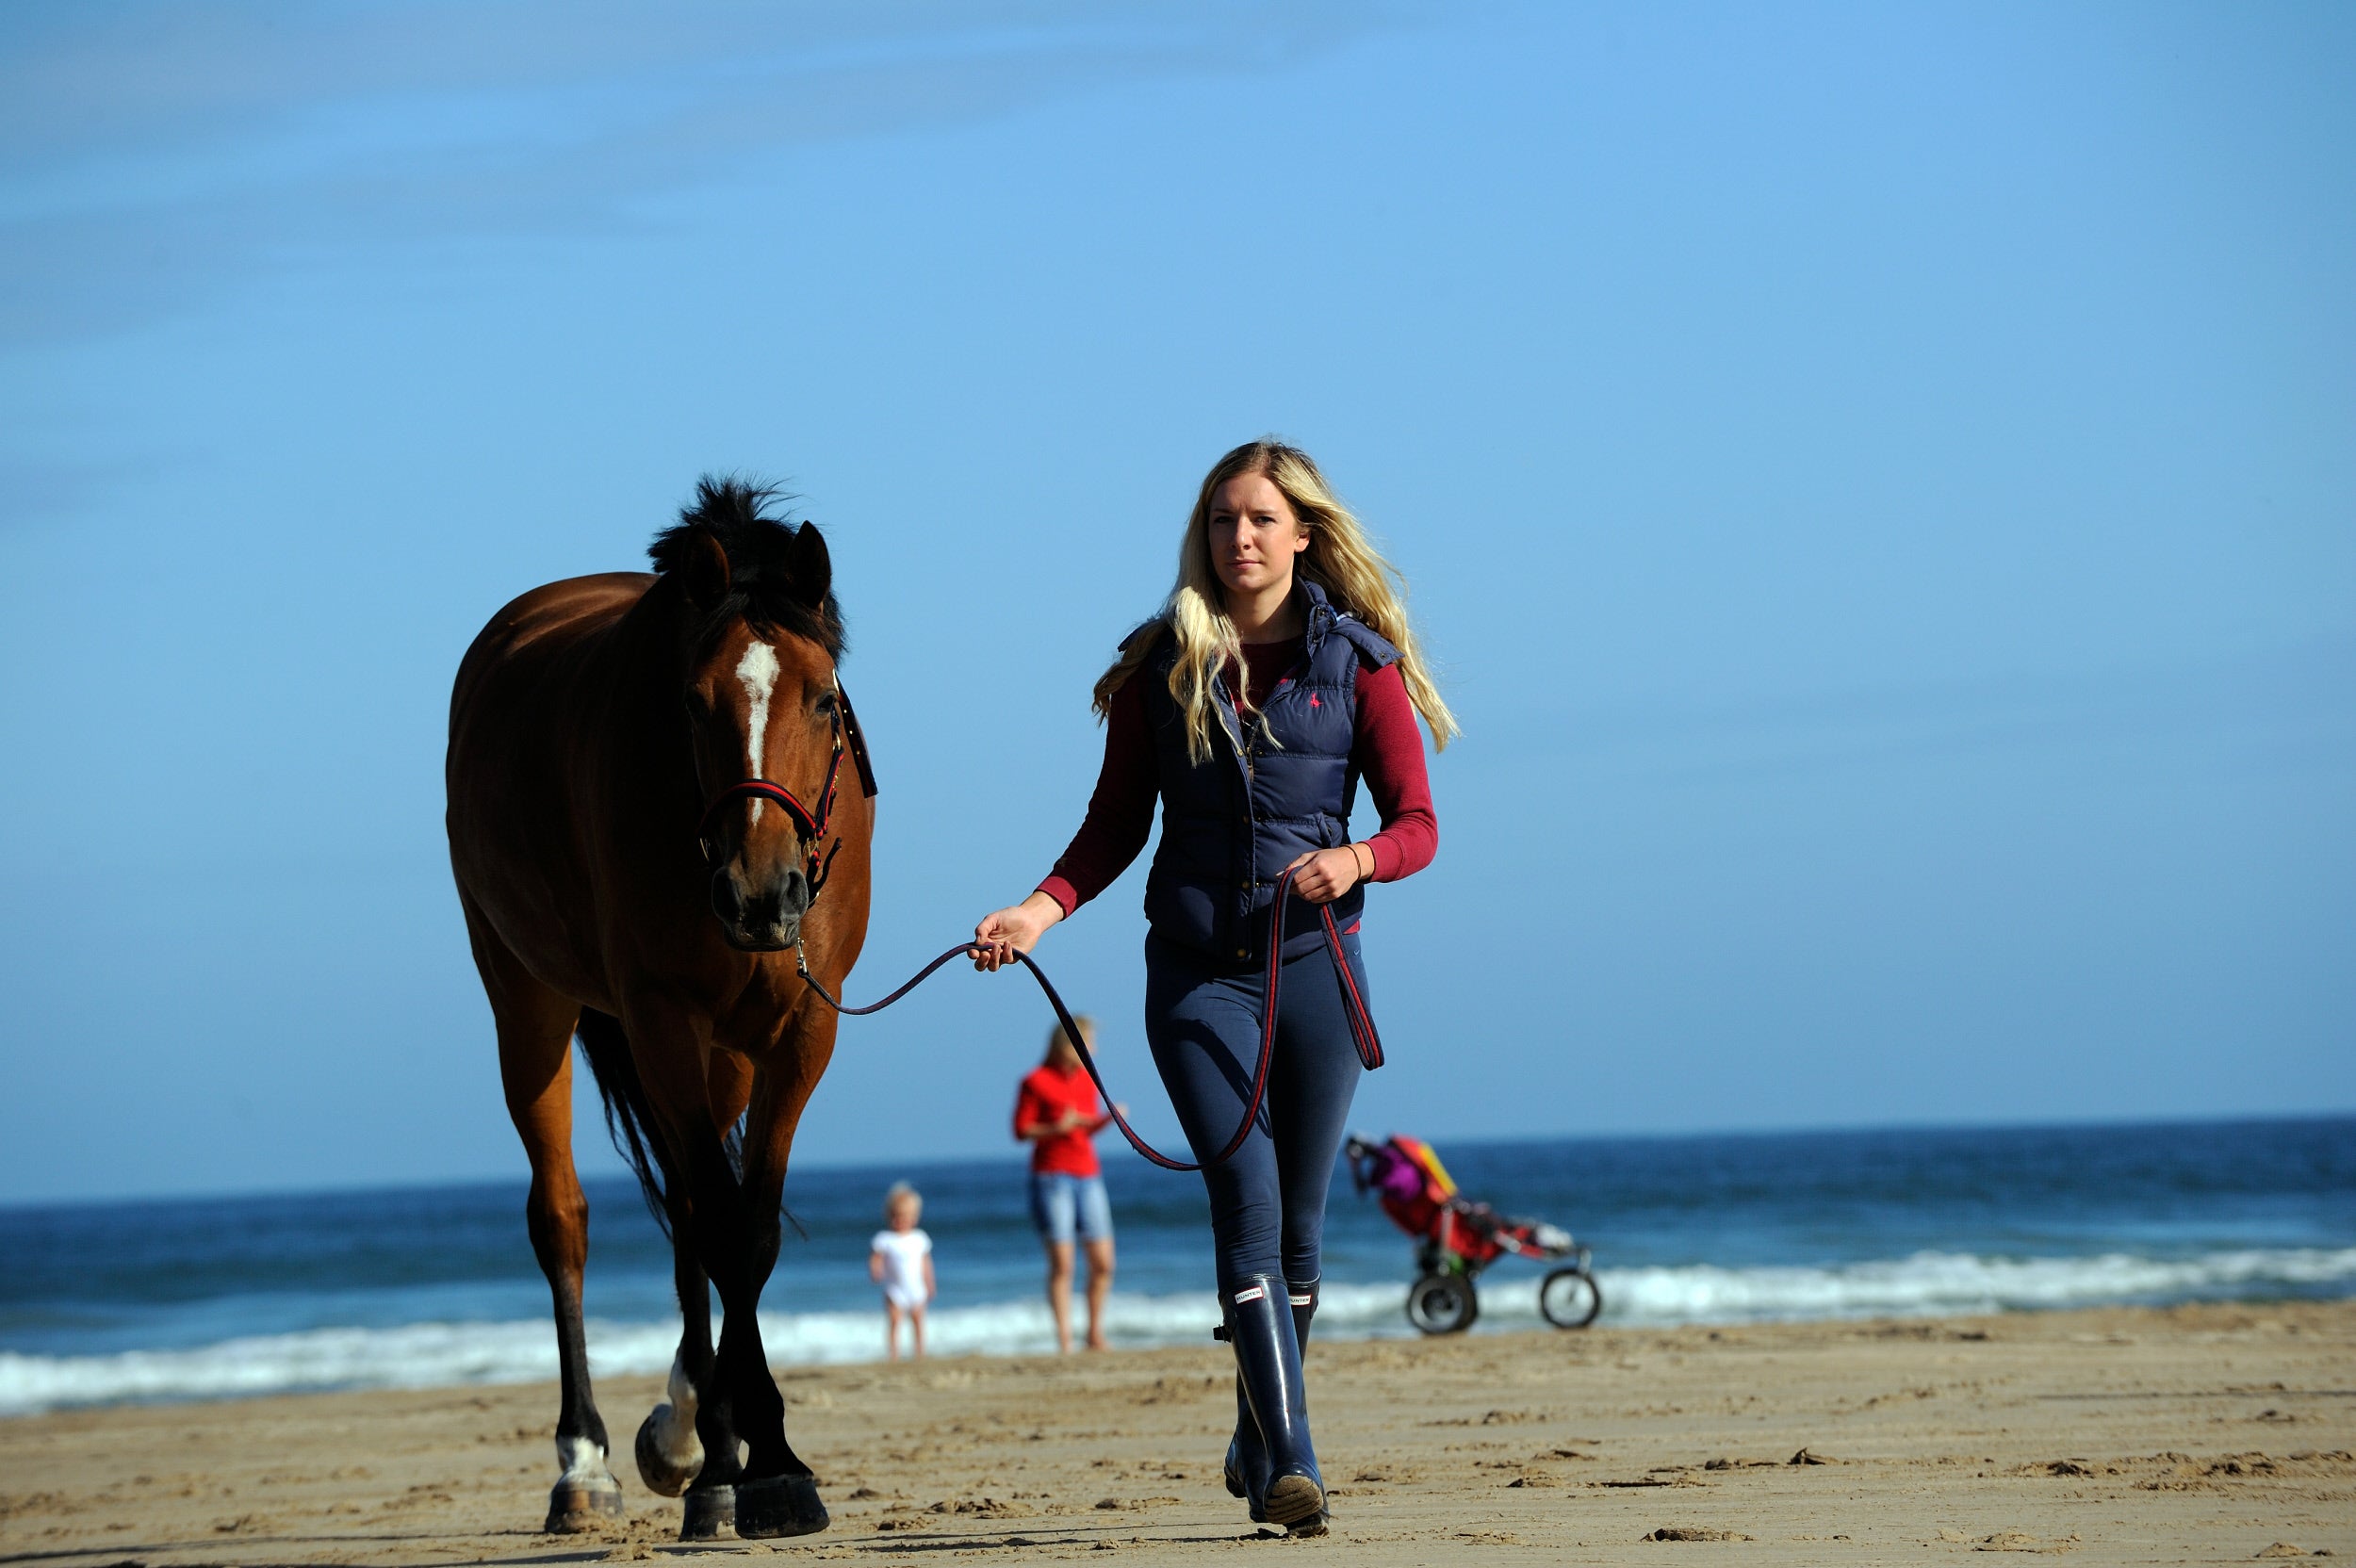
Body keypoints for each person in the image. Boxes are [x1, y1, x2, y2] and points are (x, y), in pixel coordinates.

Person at [970, 438, 1451, 1536]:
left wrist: (1359, 859)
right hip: (1196, 980)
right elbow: (1111, 829)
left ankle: (1255, 1416)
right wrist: (1035, 911)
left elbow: (1418, 823)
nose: (1240, 536)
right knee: (1245, 1199)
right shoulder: (1163, 666)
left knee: (1302, 1233)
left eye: (1261, 519)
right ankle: (1294, 1460)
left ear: (1302, 536)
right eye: (1223, 519)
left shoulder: (1360, 665)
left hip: (1319, 972)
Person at [1014, 1015, 1123, 1353]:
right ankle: (1064, 1340)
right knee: (1063, 1264)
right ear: (1069, 1044)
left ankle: (1094, 1333)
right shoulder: (1035, 1081)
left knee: (1104, 1262)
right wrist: (1056, 1128)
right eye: (1087, 1042)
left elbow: (1084, 1127)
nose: (1092, 1049)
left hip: (1088, 1173)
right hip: (1052, 1176)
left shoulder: (1086, 1080)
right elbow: (1021, 1131)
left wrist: (1107, 1121)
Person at [868, 1183, 935, 1362]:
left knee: (918, 1321)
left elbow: (926, 1263)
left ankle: (920, 1352)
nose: (899, 1220)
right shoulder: (885, 1238)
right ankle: (893, 1353)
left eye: (904, 1216)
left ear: (914, 1217)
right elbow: (875, 1257)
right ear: (888, 1215)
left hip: (916, 1289)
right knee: (895, 1321)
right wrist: (875, 1270)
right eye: (894, 1216)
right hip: (895, 1290)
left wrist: (930, 1284)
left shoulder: (919, 1238)